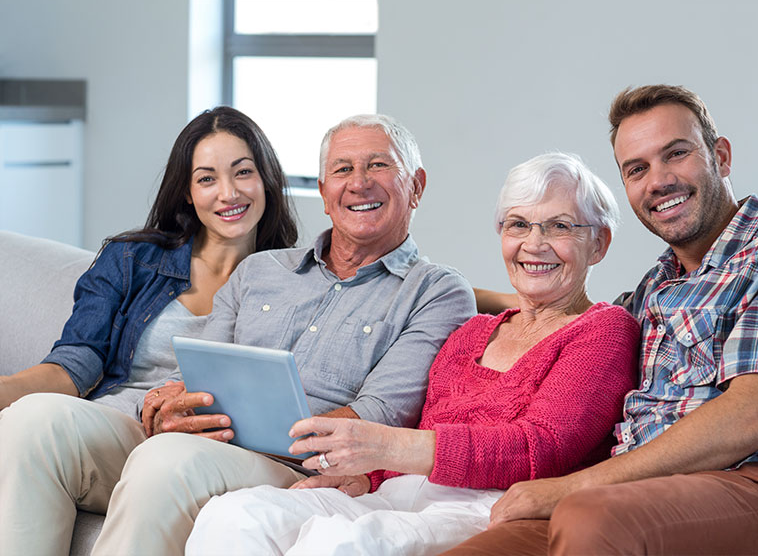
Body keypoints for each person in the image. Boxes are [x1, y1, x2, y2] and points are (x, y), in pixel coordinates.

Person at [444, 84, 758, 555]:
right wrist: (440, 292)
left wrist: (573, 487)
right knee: (478, 548)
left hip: (757, 489)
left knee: (587, 517)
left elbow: (749, 419)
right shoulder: (657, 285)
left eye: (675, 154)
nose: (658, 180)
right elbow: (567, 313)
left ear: (721, 156)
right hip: (630, 493)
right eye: (637, 169)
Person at [182, 151, 640, 555]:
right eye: (518, 225)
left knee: (342, 544)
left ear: (598, 243)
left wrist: (384, 446)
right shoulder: (474, 331)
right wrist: (367, 476)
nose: (534, 244)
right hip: (401, 491)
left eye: (559, 226)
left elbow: (540, 447)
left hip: (488, 505)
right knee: (237, 513)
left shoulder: (604, 330)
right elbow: (424, 428)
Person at [89, 113, 477, 555]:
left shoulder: (437, 291)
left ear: (417, 187)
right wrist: (169, 405)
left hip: (301, 468)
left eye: (379, 166)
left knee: (165, 461)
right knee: (39, 425)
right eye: (343, 169)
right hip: (209, 444)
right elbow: (195, 371)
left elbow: (381, 413)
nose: (359, 183)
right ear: (324, 193)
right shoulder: (260, 269)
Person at [0, 106, 299, 554]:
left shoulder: (297, 280)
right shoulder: (133, 260)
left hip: (207, 450)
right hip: (118, 431)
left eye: (243, 173)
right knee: (32, 418)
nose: (229, 193)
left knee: (164, 463)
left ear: (268, 180)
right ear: (186, 193)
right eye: (206, 179)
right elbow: (73, 363)